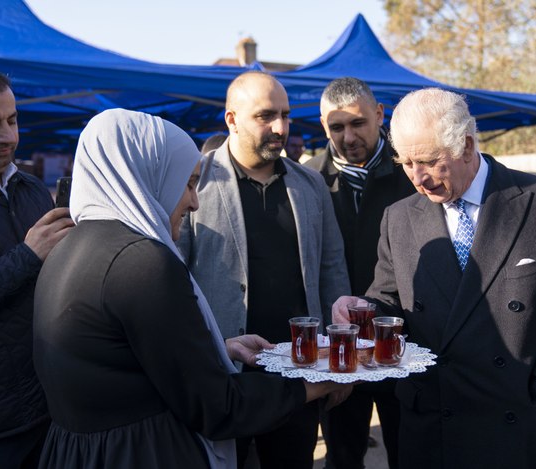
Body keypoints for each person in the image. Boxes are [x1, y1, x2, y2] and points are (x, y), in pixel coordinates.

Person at [32, 108, 350, 469]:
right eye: (186, 184)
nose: (194, 202)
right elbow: (218, 407)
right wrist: (318, 381)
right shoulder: (143, 263)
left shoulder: (70, 248)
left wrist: (213, 347)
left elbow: (120, 361)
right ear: (149, 178)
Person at [332, 88, 536, 468]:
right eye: (406, 163)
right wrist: (361, 309)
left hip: (522, 427)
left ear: (466, 145)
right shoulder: (398, 218)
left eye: (430, 161)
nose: (418, 178)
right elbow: (389, 300)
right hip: (434, 430)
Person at [177, 72, 350, 469]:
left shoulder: (311, 186)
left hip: (298, 375)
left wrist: (338, 361)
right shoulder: (194, 182)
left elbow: (331, 270)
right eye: (266, 116)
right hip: (223, 374)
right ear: (231, 120)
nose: (281, 128)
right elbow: (174, 276)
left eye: (286, 116)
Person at [0, 63, 74, 468]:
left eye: (12, 120)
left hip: (46, 407)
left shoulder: (30, 189)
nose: (8, 136)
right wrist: (27, 257)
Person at [305, 76, 415, 469]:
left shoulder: (412, 175)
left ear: (380, 115)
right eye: (337, 127)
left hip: (403, 339)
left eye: (358, 124)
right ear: (323, 126)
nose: (348, 137)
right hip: (337, 346)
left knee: (409, 449)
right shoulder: (309, 181)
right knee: (343, 453)